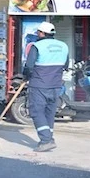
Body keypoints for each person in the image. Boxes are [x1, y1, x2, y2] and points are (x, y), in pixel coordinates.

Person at [22, 21, 69, 152]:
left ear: (42, 33)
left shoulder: (37, 46)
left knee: (36, 112)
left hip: (39, 84)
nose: (37, 34)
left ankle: (46, 140)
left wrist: (24, 77)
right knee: (49, 112)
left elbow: (29, 66)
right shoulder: (63, 46)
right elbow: (64, 65)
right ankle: (49, 138)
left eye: (38, 32)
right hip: (55, 85)